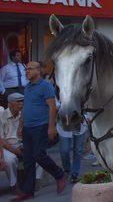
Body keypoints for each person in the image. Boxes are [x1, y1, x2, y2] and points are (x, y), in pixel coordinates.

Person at [12, 62, 65, 201]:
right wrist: (20, 126)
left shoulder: (45, 85)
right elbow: (26, 107)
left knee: (39, 155)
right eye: (26, 69)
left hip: (40, 126)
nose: (27, 71)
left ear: (39, 70)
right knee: (28, 160)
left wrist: (51, 127)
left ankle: (59, 174)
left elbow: (52, 107)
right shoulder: (28, 87)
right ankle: (28, 191)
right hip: (28, 127)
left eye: (30, 69)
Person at [0, 93, 24, 192]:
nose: (21, 104)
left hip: (20, 144)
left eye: (22, 101)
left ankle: (35, 181)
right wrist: (14, 150)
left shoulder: (23, 114)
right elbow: (1, 140)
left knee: (37, 153)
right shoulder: (2, 115)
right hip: (5, 146)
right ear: (9, 104)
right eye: (18, 102)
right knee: (10, 159)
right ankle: (13, 185)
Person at [57, 112, 87, 183]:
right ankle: (67, 170)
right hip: (64, 122)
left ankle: (74, 174)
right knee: (64, 150)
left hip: (79, 122)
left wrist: (86, 116)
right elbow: (56, 104)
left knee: (78, 150)